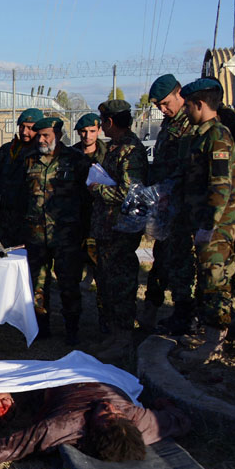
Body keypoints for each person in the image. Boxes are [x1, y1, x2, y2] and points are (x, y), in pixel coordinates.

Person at [0, 382, 191, 469]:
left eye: (106, 416)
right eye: (116, 413)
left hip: (50, 386)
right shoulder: (143, 422)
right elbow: (179, 419)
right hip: (87, 372)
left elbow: (7, 448)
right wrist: (164, 404)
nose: (109, 407)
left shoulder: (64, 426)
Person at [174, 78, 235, 362]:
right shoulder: (201, 135)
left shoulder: (217, 136)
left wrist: (209, 225)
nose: (185, 111)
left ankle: (214, 344)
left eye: (187, 105)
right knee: (208, 278)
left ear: (199, 104)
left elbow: (220, 185)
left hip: (217, 223)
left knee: (215, 279)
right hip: (202, 220)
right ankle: (210, 335)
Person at [22, 117, 92, 343]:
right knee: (38, 284)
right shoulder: (28, 160)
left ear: (58, 136)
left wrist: (84, 232)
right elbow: (19, 196)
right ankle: (42, 328)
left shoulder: (76, 161)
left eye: (46, 136)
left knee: (68, 283)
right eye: (39, 135)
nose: (41, 140)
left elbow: (87, 199)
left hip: (66, 235)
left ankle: (72, 329)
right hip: (36, 235)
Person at [87, 100, 148, 357]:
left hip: (120, 231)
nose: (101, 126)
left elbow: (129, 192)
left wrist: (96, 188)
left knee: (121, 284)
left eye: (102, 121)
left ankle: (123, 338)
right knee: (108, 284)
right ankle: (114, 336)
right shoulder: (115, 148)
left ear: (110, 121)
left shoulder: (130, 151)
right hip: (107, 228)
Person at [140, 74, 198, 333]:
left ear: (179, 94)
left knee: (180, 261)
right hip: (165, 204)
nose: (163, 110)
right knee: (162, 257)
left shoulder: (191, 122)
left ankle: (183, 313)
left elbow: (188, 167)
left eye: (165, 103)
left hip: (181, 205)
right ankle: (155, 309)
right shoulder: (170, 122)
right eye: (158, 107)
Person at [0, 108, 43, 248]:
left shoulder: (42, 153)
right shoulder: (6, 150)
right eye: (22, 127)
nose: (24, 132)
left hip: (30, 222)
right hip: (4, 221)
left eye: (30, 128)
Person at [71, 112, 106, 299]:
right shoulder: (71, 155)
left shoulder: (107, 153)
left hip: (99, 214)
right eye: (83, 131)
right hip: (77, 214)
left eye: (92, 131)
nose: (88, 136)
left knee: (100, 260)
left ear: (99, 130)